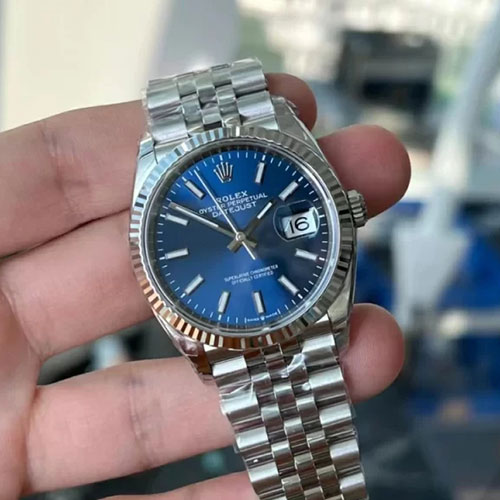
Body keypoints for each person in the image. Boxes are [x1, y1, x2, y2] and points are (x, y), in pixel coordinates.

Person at [0, 73, 409, 499]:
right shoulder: (161, 241)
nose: (242, 240)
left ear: (346, 209)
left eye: (244, 236)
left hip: (301, 312)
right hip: (248, 327)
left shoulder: (277, 150)